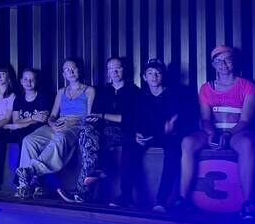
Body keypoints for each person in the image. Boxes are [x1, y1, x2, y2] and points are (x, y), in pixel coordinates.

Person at [178, 46, 255, 219]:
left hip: (236, 133)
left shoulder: (247, 86)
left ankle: (248, 203)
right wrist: (211, 133)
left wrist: (227, 135)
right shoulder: (206, 88)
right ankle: (183, 199)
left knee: (247, 144)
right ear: (213, 64)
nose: (223, 64)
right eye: (218, 61)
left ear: (233, 61)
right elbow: (205, 119)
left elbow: (245, 120)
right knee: (187, 142)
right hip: (212, 132)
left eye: (227, 59)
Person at [15, 58, 96, 203]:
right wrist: (52, 124)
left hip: (77, 125)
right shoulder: (61, 92)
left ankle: (32, 170)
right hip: (59, 123)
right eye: (66, 70)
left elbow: (89, 117)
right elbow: (52, 115)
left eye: (73, 68)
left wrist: (74, 122)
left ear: (79, 70)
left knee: (60, 138)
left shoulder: (89, 90)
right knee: (29, 139)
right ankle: (25, 186)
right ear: (63, 74)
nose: (70, 72)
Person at [113, 59, 190, 210]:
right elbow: (135, 120)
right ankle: (126, 197)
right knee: (129, 145)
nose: (154, 76)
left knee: (173, 149)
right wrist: (137, 134)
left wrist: (169, 127)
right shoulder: (141, 96)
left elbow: (179, 123)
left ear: (163, 76)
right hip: (149, 136)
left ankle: (161, 201)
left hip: (168, 137)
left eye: (158, 73)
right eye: (150, 73)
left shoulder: (174, 94)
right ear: (144, 77)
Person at [0, 68, 52, 196]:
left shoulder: (43, 97)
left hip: (35, 130)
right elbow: (16, 120)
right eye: (25, 79)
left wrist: (19, 124)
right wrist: (31, 118)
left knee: (24, 139)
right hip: (20, 128)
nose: (28, 82)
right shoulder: (19, 99)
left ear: (36, 81)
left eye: (31, 80)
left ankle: (21, 182)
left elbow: (41, 120)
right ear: (21, 81)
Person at [80, 57, 140, 192]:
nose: (114, 72)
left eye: (117, 68)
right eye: (111, 69)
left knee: (102, 135)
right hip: (104, 129)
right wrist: (95, 118)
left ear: (123, 70)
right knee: (86, 133)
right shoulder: (103, 91)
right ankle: (94, 172)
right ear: (108, 72)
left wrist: (102, 116)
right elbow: (95, 114)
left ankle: (93, 179)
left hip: (125, 131)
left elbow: (129, 118)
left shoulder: (134, 91)